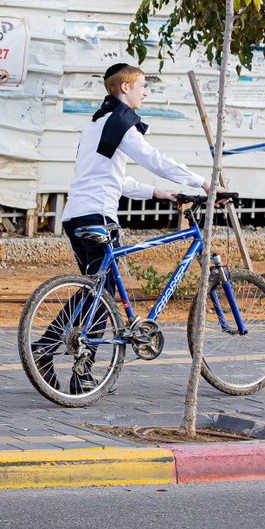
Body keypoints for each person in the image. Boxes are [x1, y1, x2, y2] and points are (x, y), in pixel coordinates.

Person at [40, 62, 210, 392]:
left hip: (76, 215)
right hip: (98, 216)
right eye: (143, 86)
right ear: (125, 88)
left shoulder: (97, 122)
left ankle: (47, 350)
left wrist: (155, 192)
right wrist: (202, 181)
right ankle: (80, 374)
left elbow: (112, 178)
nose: (146, 92)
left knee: (96, 291)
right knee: (102, 294)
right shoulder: (121, 123)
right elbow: (154, 159)